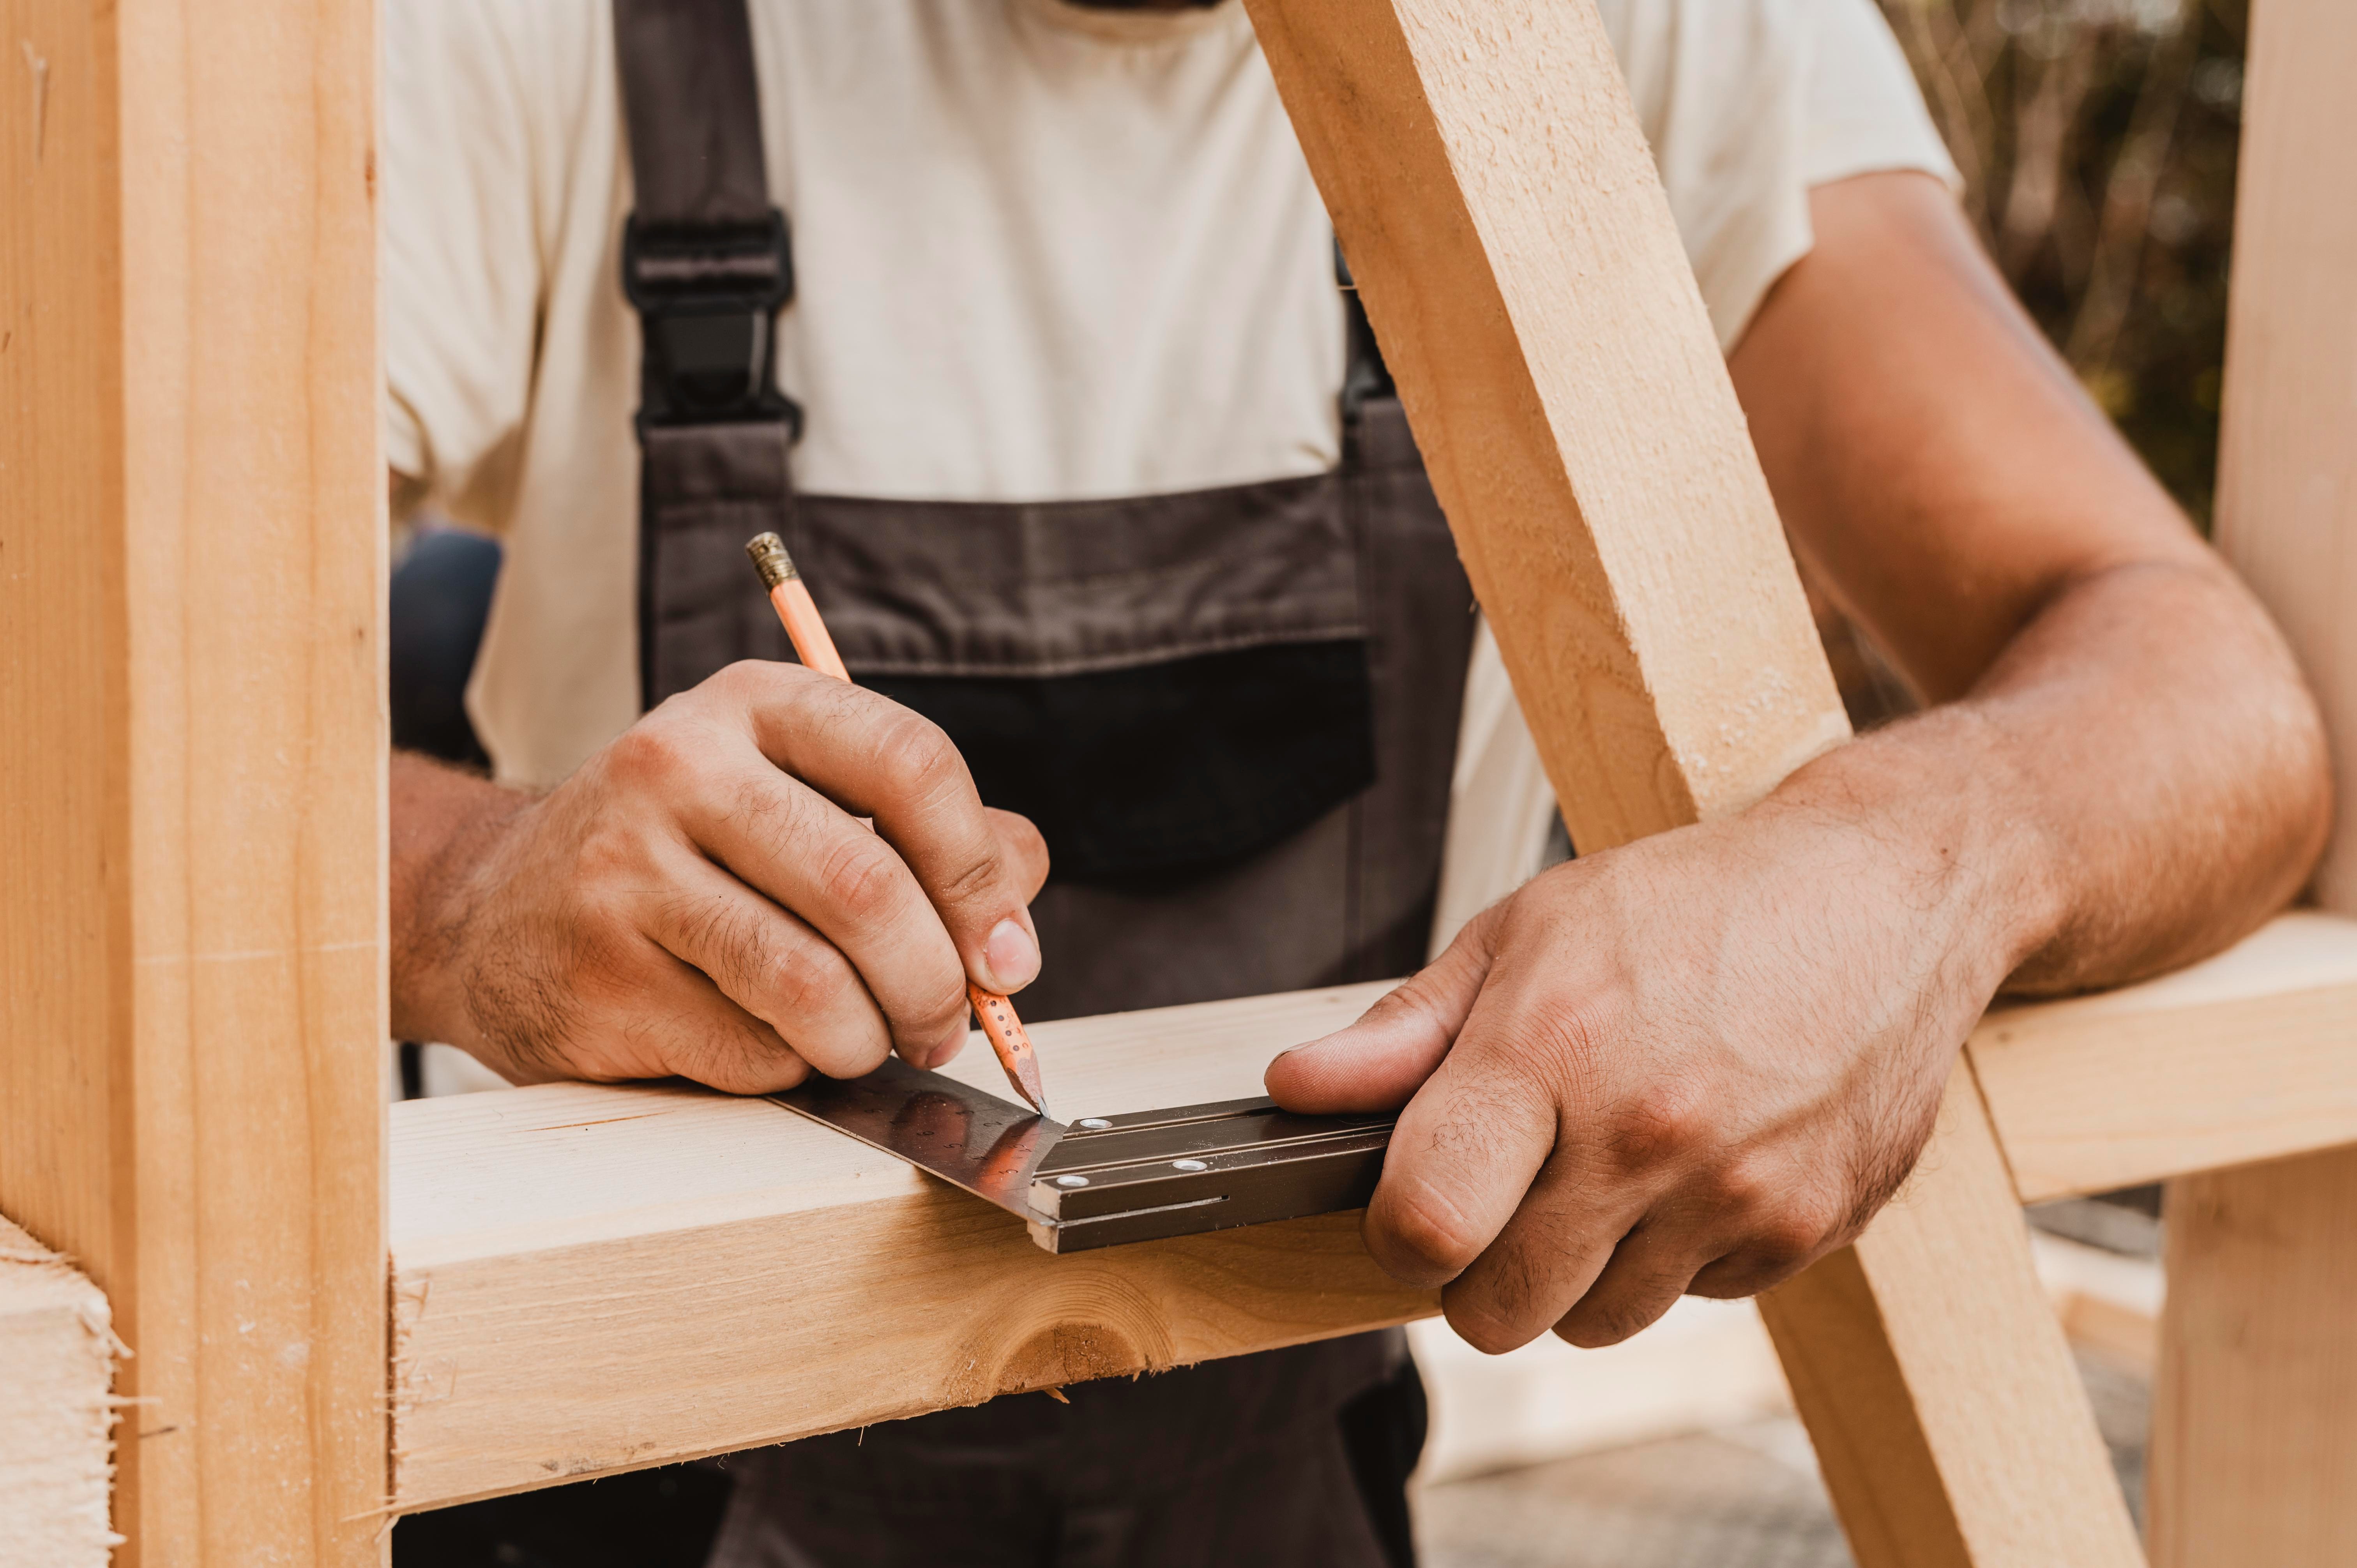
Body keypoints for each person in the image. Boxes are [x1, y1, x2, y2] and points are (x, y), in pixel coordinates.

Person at [382, 1, 2331, 1564]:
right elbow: (106, 744)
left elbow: (2217, 701)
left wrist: (1898, 864)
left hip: (1292, 1459)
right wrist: (470, 886)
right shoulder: (510, 34)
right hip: (598, 1469)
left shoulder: (1637, 39)